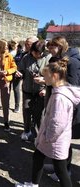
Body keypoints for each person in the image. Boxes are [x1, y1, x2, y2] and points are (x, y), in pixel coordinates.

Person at [17, 57, 80, 187]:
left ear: (55, 76)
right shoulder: (59, 92)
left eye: (46, 76)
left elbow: (58, 123)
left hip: (54, 140)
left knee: (61, 169)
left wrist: (47, 137)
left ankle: (33, 184)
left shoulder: (60, 98)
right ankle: (33, 184)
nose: (44, 79)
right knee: (38, 157)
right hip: (51, 139)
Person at [17, 40, 51, 141]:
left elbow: (51, 77)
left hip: (40, 92)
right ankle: (27, 131)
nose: (36, 55)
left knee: (39, 115)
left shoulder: (48, 59)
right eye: (34, 52)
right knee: (26, 111)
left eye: (39, 53)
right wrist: (19, 74)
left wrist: (45, 88)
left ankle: (40, 136)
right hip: (27, 90)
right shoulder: (26, 57)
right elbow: (21, 69)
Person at [0, 39, 17, 131]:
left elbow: (14, 67)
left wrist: (7, 71)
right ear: (0, 46)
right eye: (5, 45)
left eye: (7, 45)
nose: (7, 47)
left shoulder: (9, 55)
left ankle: (6, 121)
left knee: (5, 102)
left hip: (5, 80)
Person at [12, 36, 38, 113]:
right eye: (26, 43)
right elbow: (22, 68)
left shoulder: (44, 57)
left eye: (28, 44)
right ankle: (17, 106)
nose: (26, 45)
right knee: (26, 111)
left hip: (38, 90)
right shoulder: (25, 55)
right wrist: (20, 72)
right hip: (27, 88)